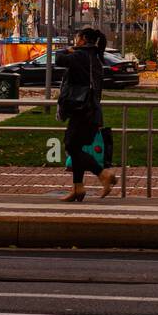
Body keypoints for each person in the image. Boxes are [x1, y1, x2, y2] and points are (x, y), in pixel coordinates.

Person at [54, 27, 115, 202]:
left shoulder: (81, 55)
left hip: (82, 111)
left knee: (71, 146)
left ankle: (103, 174)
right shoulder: (95, 56)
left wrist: (68, 50)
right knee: (77, 148)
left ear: (83, 39)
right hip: (92, 110)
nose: (75, 40)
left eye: (76, 37)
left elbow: (59, 59)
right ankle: (78, 188)